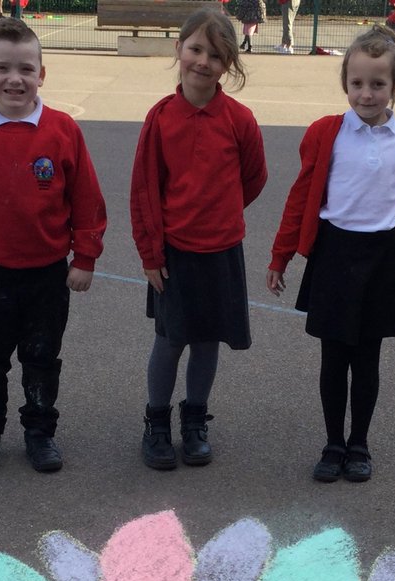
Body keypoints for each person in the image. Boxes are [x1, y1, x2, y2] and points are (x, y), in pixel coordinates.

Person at [267, 24, 395, 483]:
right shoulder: (327, 133)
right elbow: (301, 198)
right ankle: (332, 443)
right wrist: (280, 257)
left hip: (382, 257)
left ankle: (359, 443)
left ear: (394, 87)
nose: (366, 93)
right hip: (336, 254)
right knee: (333, 357)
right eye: (357, 83)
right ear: (346, 83)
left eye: (378, 84)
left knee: (367, 358)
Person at [0, 17, 107, 474]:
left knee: (41, 358)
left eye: (26, 69)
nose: (15, 78)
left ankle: (39, 431)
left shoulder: (62, 130)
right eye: (2, 68)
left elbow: (86, 199)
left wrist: (85, 256)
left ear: (42, 73)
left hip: (46, 272)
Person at [130, 7, 267, 470]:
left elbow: (253, 176)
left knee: (208, 341)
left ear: (227, 63)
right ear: (179, 49)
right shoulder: (161, 118)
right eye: (195, 49)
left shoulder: (240, 119)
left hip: (222, 250)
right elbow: (144, 190)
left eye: (215, 54)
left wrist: (221, 212)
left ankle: (194, 420)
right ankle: (156, 422)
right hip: (174, 254)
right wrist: (151, 253)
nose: (202, 61)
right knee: (169, 341)